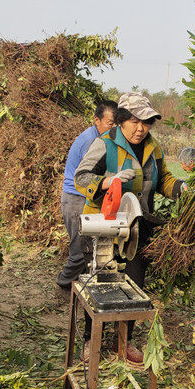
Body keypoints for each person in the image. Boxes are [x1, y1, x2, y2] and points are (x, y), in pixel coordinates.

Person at [75, 91, 186, 365]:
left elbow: (164, 180)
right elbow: (81, 177)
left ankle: (123, 341)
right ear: (122, 120)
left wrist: (182, 188)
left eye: (146, 122)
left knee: (135, 285)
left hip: (137, 226)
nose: (141, 128)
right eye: (135, 121)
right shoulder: (105, 144)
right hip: (104, 224)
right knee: (100, 282)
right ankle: (91, 340)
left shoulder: (153, 147)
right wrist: (108, 181)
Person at [56, 100, 117, 291]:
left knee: (89, 247)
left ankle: (83, 285)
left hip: (83, 198)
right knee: (80, 251)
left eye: (117, 123)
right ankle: (64, 284)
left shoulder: (101, 137)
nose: (114, 127)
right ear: (97, 120)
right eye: (110, 123)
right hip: (76, 199)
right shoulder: (92, 141)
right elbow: (88, 177)